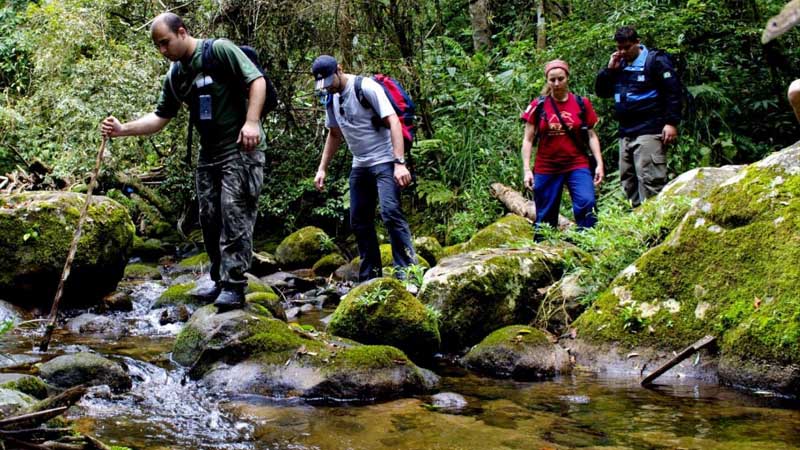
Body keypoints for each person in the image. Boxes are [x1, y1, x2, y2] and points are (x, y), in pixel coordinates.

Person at [100, 13, 267, 309]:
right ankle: (219, 279)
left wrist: (252, 122)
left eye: (165, 43)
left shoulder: (219, 50)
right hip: (209, 153)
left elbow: (257, 81)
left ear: (182, 32)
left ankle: (235, 284)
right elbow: (160, 117)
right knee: (209, 217)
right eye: (157, 46)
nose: (163, 51)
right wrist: (122, 129)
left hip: (240, 147)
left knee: (234, 213)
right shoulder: (176, 75)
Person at [311, 55, 417, 282]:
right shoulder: (331, 98)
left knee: (390, 213)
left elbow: (394, 122)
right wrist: (322, 169)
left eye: (330, 80)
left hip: (385, 159)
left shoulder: (365, 87)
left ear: (339, 70)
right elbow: (334, 133)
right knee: (358, 219)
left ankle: (408, 274)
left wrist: (399, 163)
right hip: (360, 163)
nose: (328, 86)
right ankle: (371, 277)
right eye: (324, 84)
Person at [595, 26, 682, 207]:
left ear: (637, 43)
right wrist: (610, 70)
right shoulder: (619, 64)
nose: (623, 52)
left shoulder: (655, 61)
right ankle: (636, 224)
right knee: (628, 180)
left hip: (650, 129)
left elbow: (673, 92)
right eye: (619, 48)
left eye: (627, 47)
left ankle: (655, 226)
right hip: (625, 131)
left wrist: (671, 123)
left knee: (650, 179)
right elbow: (601, 92)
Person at [520, 59, 604, 236]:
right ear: (547, 81)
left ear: (567, 78)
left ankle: (588, 246)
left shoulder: (582, 103)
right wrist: (527, 169)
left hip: (577, 164)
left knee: (587, 203)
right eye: (552, 80)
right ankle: (544, 251)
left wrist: (599, 164)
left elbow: (591, 135)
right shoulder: (539, 105)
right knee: (545, 214)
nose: (556, 84)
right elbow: (528, 139)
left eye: (560, 79)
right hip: (547, 166)